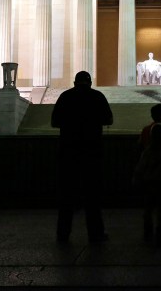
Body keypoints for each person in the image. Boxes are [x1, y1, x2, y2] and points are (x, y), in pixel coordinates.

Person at [51, 71, 113, 243]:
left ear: (74, 82)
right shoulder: (97, 96)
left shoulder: (65, 97)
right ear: (90, 82)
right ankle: (96, 233)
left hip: (68, 152)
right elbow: (109, 119)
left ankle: (63, 234)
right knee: (92, 196)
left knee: (66, 196)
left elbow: (54, 121)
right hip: (92, 151)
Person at [133, 123, 161, 246]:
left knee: (148, 209)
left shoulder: (148, 150)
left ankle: (148, 230)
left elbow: (141, 166)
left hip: (149, 183)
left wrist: (136, 178)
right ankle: (160, 231)